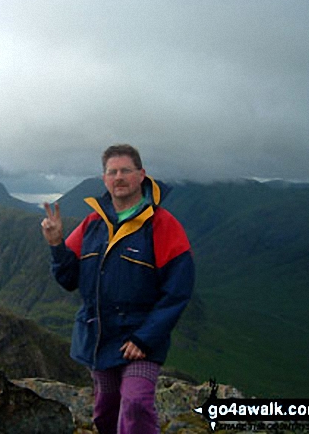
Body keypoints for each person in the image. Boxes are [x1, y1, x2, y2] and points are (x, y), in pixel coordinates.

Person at [41, 144, 194, 434]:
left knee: (136, 403)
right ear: (104, 179)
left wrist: (145, 338)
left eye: (126, 170)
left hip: (140, 341)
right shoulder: (91, 225)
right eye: (112, 172)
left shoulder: (162, 225)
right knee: (105, 414)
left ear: (141, 175)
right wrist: (56, 244)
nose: (119, 177)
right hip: (99, 338)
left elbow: (177, 291)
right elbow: (68, 279)